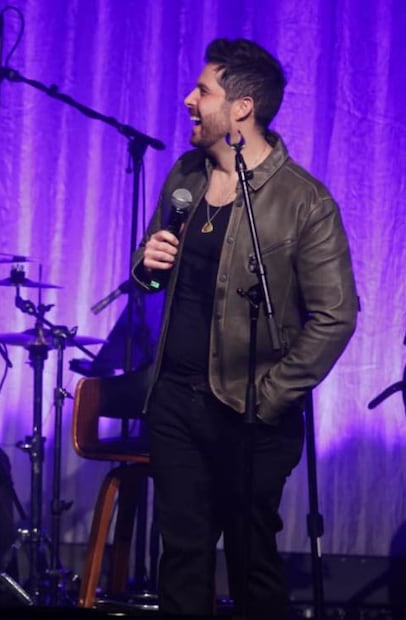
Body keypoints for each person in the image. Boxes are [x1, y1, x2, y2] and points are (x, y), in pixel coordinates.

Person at [133, 39, 357, 618]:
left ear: (241, 108)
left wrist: (270, 396)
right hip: (175, 402)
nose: (189, 100)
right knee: (182, 558)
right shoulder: (185, 174)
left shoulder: (304, 201)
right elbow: (151, 279)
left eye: (202, 91)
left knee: (251, 562)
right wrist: (146, 265)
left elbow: (336, 316)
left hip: (249, 413)